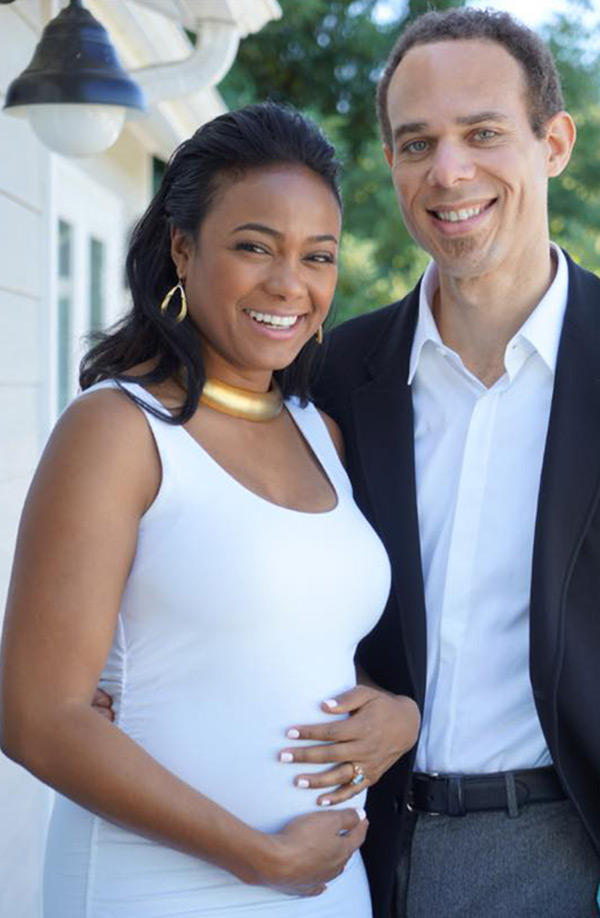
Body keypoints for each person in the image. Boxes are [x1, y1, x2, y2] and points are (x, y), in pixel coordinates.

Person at [0, 103, 420, 918]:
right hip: (155, 884)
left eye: (318, 256)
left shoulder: (320, 432)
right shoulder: (117, 430)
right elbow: (37, 718)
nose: (289, 284)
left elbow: (290, 639)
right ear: (183, 249)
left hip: (326, 887)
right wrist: (260, 857)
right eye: (255, 246)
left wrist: (397, 716)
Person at [313, 7, 600, 918]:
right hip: (353, 846)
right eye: (417, 143)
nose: (448, 172)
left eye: (482, 133)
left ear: (554, 143)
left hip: (566, 847)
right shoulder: (330, 372)